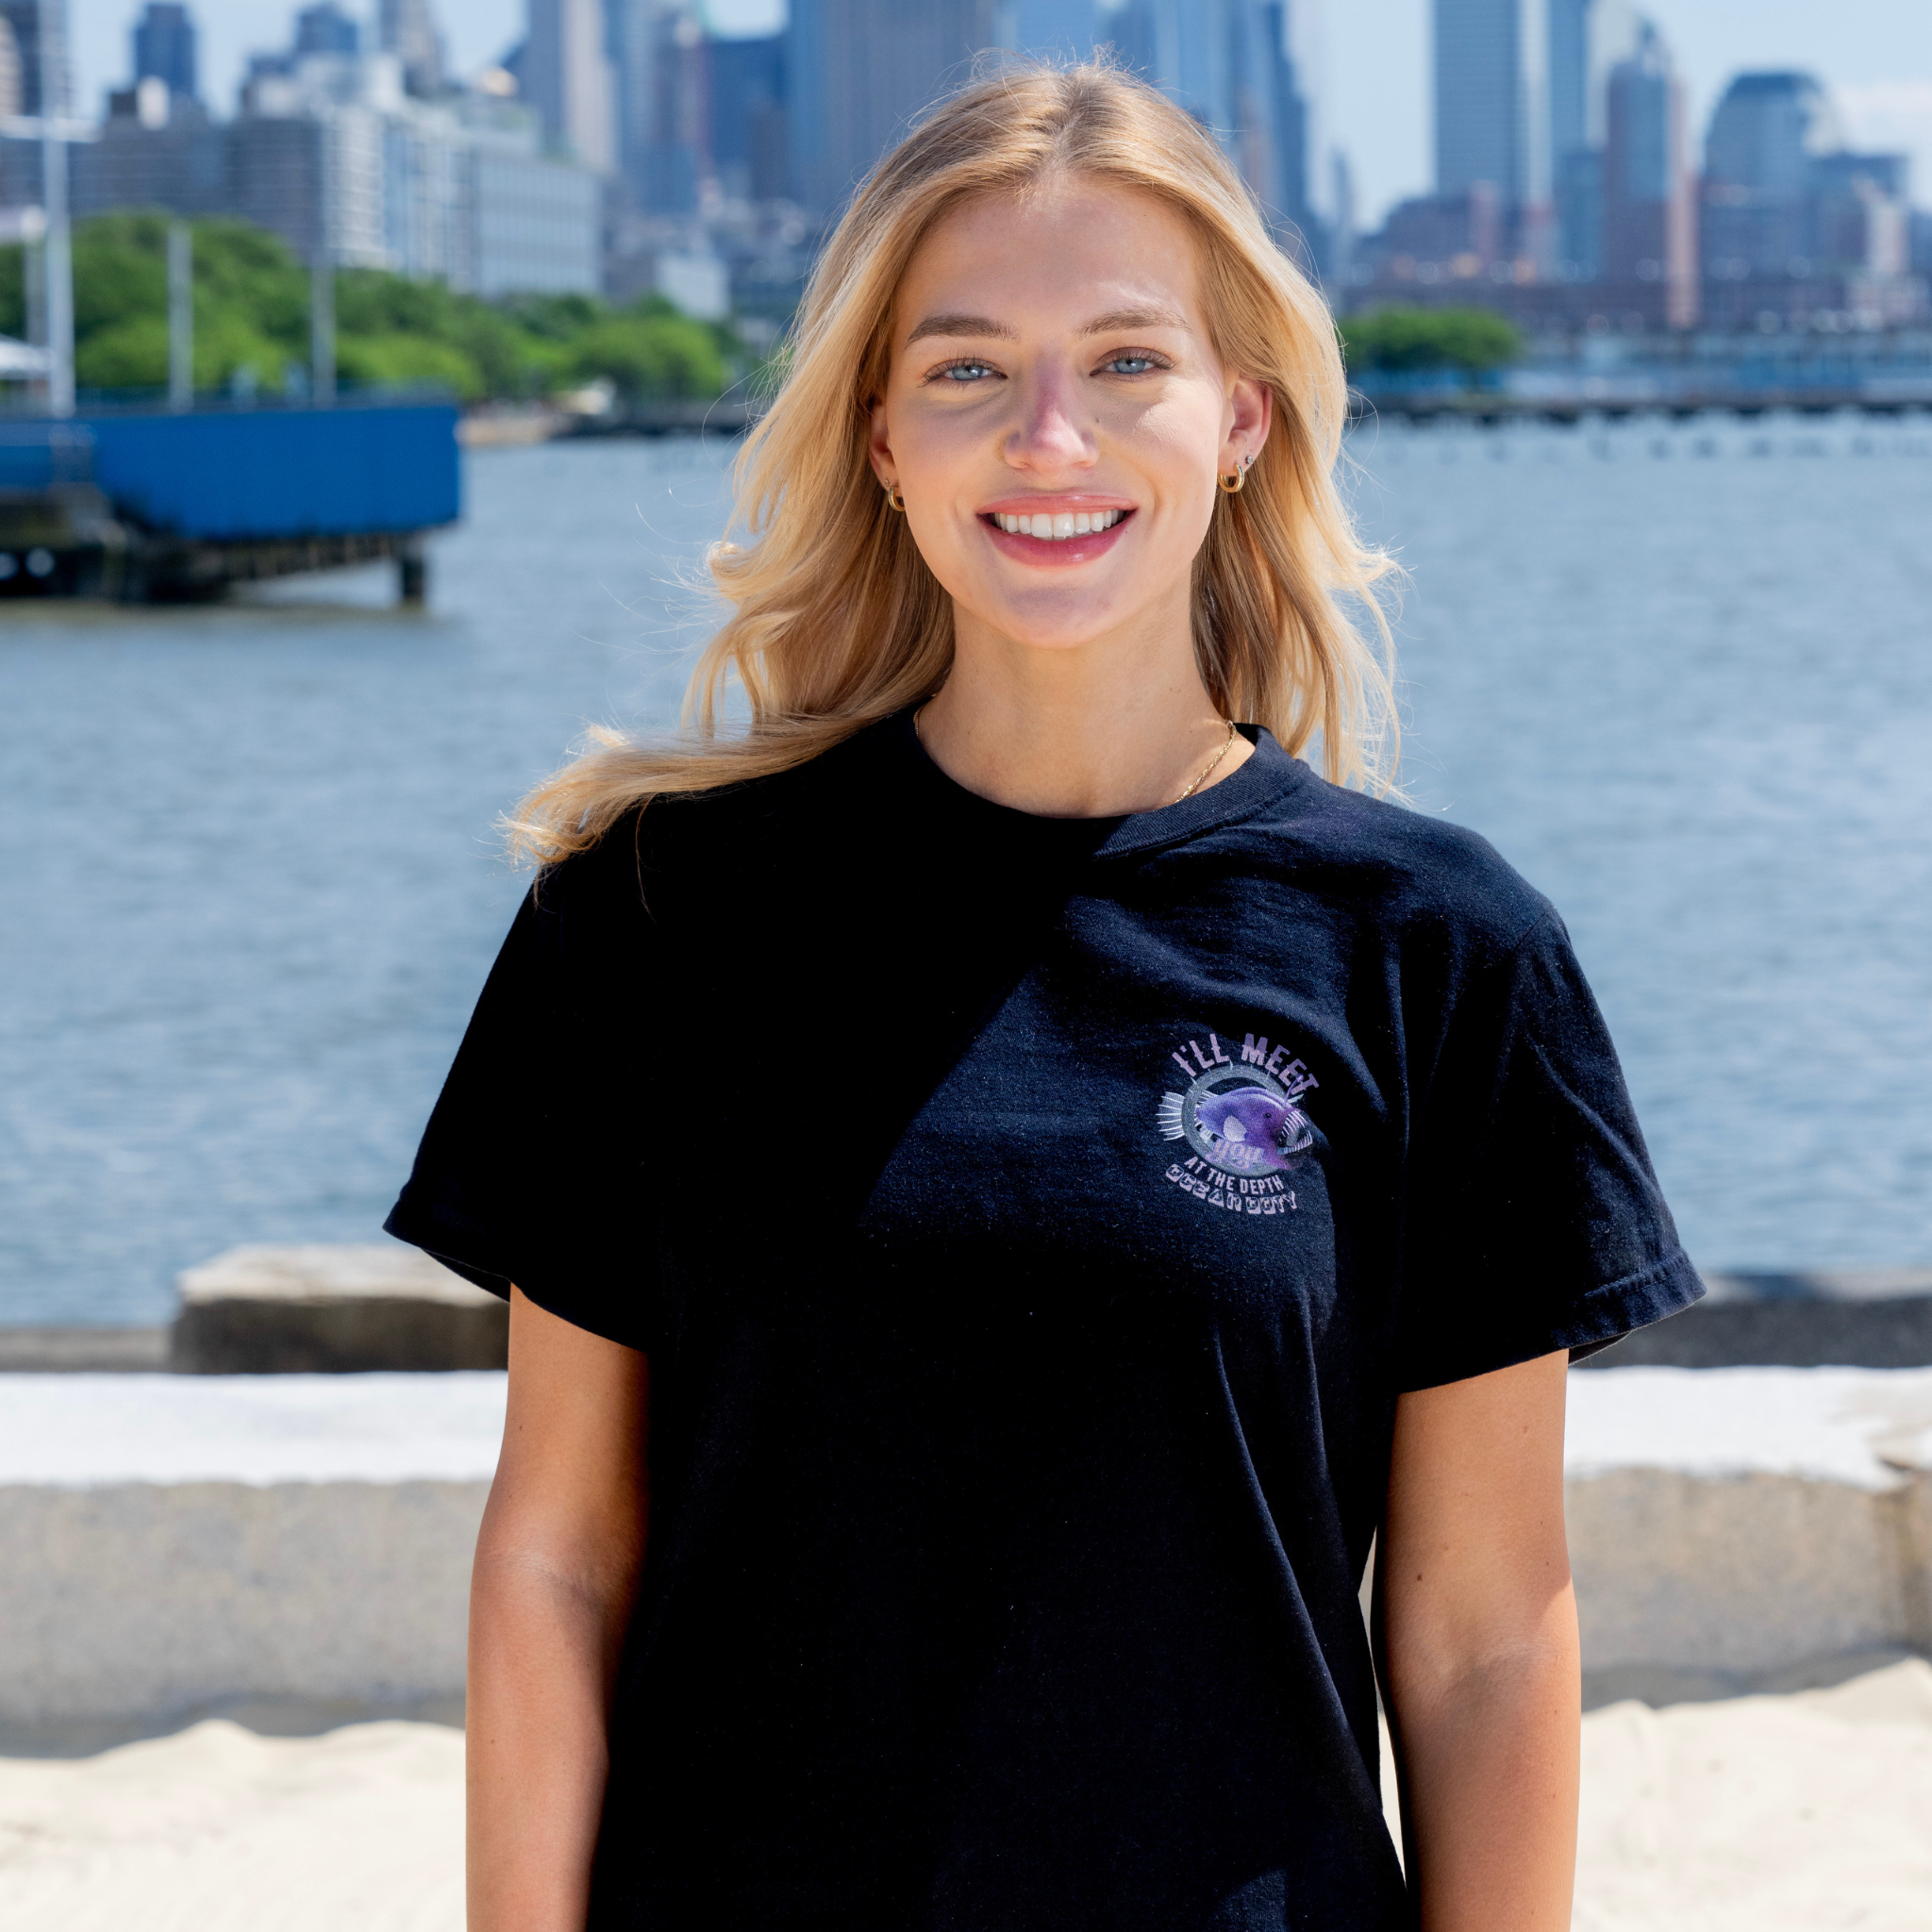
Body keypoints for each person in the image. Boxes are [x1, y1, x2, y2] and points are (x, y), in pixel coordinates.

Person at [387, 61, 1700, 1932]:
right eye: (968, 369)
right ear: (878, 435)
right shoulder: (652, 916)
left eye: (1127, 360)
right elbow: (555, 1560)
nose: (1050, 438)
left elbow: (1485, 1632)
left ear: (1240, 416)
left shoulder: (1439, 952)